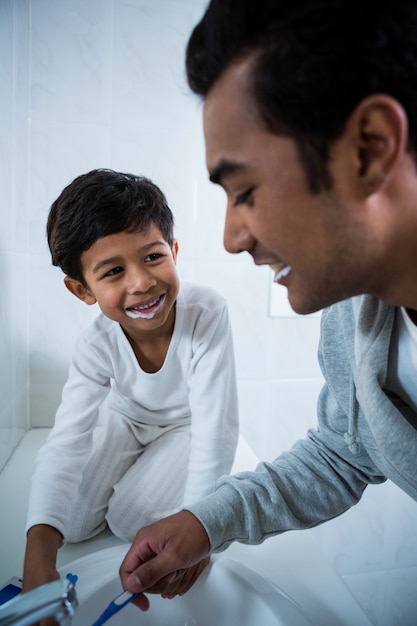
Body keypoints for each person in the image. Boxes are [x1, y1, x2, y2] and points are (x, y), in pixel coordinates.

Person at [118, 0, 417, 612]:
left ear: (371, 148)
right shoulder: (360, 312)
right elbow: (344, 450)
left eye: (246, 191)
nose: (232, 238)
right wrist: (205, 524)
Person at [22, 168, 239, 604]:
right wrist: (37, 557)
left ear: (175, 251)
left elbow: (216, 431)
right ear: (82, 290)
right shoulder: (95, 344)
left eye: (154, 257)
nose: (141, 283)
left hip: (186, 427)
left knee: (128, 521)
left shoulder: (208, 313)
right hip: (126, 419)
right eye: (113, 271)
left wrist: (204, 529)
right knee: (76, 521)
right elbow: (66, 443)